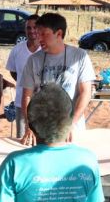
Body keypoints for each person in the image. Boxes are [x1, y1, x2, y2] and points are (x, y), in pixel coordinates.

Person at [20, 13, 96, 145]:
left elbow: (85, 93)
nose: (39, 38)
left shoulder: (80, 56)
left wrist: (70, 125)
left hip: (72, 131)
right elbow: (26, 96)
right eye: (38, 34)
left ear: (59, 34)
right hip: (41, 132)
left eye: (44, 34)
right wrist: (30, 126)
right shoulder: (33, 60)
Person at [6, 14, 40, 139]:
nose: (32, 31)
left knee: (42, 139)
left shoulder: (46, 50)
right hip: (22, 103)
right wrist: (24, 84)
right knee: (22, 139)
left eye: (35, 27)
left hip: (43, 104)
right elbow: (13, 71)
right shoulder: (17, 50)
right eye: (28, 28)